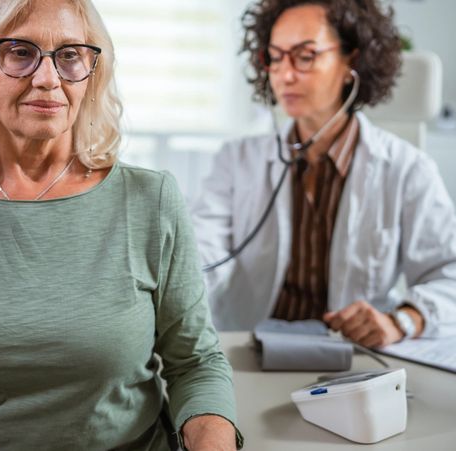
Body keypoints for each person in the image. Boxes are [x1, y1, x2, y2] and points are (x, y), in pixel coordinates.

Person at [0, 1, 243, 450]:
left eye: (70, 55)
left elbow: (194, 364)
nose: (47, 79)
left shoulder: (151, 201)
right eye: (20, 52)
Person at [192, 0, 456, 347]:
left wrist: (403, 320)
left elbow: (448, 275)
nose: (285, 74)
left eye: (305, 56)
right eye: (275, 56)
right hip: (250, 351)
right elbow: (202, 253)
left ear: (352, 62)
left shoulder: (408, 169)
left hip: (354, 359)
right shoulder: (236, 160)